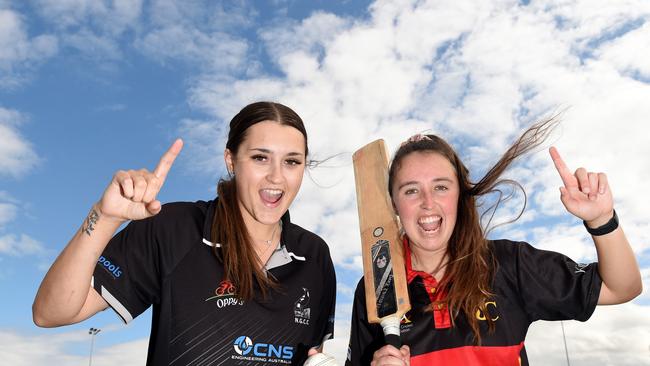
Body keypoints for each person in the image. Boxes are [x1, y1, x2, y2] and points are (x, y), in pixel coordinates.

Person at [33, 101, 337, 366]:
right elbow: (50, 313)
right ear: (231, 161)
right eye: (260, 157)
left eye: (292, 162)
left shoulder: (314, 256)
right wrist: (104, 216)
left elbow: (315, 356)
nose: (276, 176)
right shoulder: (173, 227)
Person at [345, 118, 642, 365]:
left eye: (441, 187)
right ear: (394, 205)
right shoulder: (375, 287)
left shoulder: (509, 264)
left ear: (460, 196)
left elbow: (622, 287)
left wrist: (602, 221)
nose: (427, 203)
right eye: (411, 191)